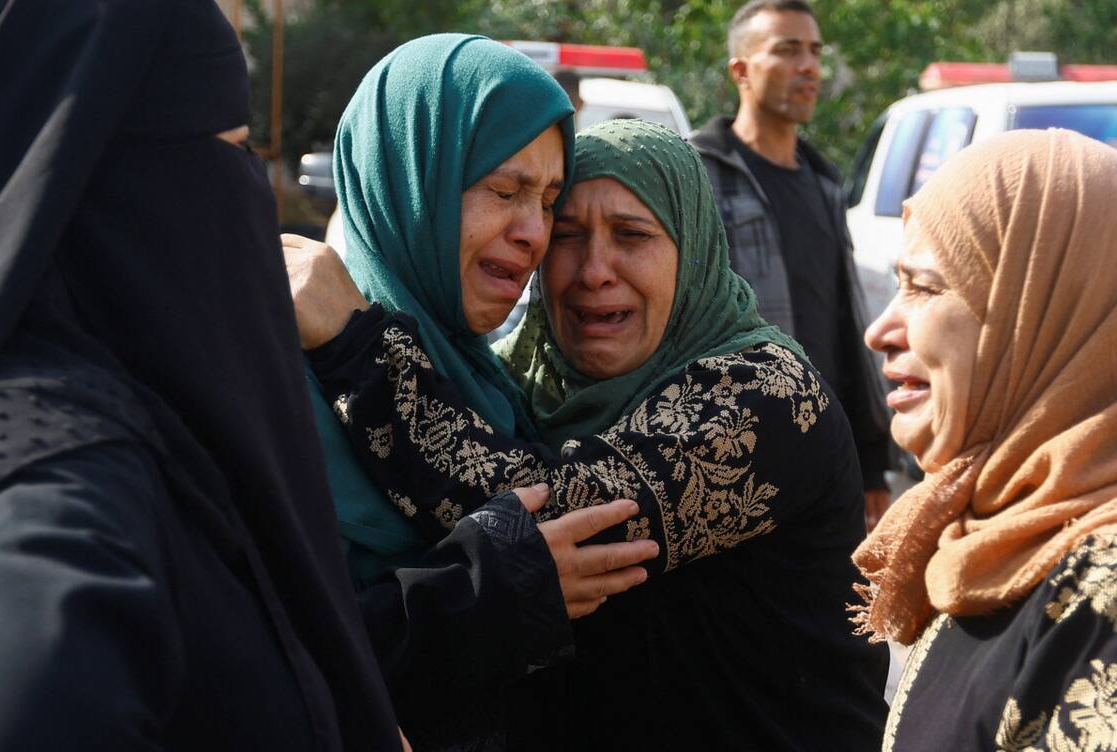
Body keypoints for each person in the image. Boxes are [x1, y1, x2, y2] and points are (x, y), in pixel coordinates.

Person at [0, 0, 403, 748]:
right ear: (92, 173)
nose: (245, 194)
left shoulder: (108, 407)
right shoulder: (65, 472)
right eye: (232, 151)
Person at [300, 119, 889, 749]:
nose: (593, 271)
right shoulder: (513, 385)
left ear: (692, 252)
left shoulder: (764, 393)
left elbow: (546, 523)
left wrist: (357, 346)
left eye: (632, 236)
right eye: (568, 236)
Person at [286, 34, 660, 750]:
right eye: (504, 190)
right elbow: (249, 654)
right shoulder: (275, 380)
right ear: (408, 176)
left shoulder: (484, 380)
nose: (535, 234)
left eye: (549, 201)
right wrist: (478, 595)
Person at [854, 129, 1117, 750]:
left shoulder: (1102, 597)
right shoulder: (983, 531)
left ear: (1040, 314)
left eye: (924, 286)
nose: (879, 329)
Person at [688, 0, 894, 529]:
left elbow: (846, 323)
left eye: (815, 51)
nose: (809, 67)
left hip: (828, 451)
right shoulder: (699, 176)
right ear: (741, 69)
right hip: (742, 447)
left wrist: (871, 462)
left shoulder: (824, 182)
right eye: (787, 50)